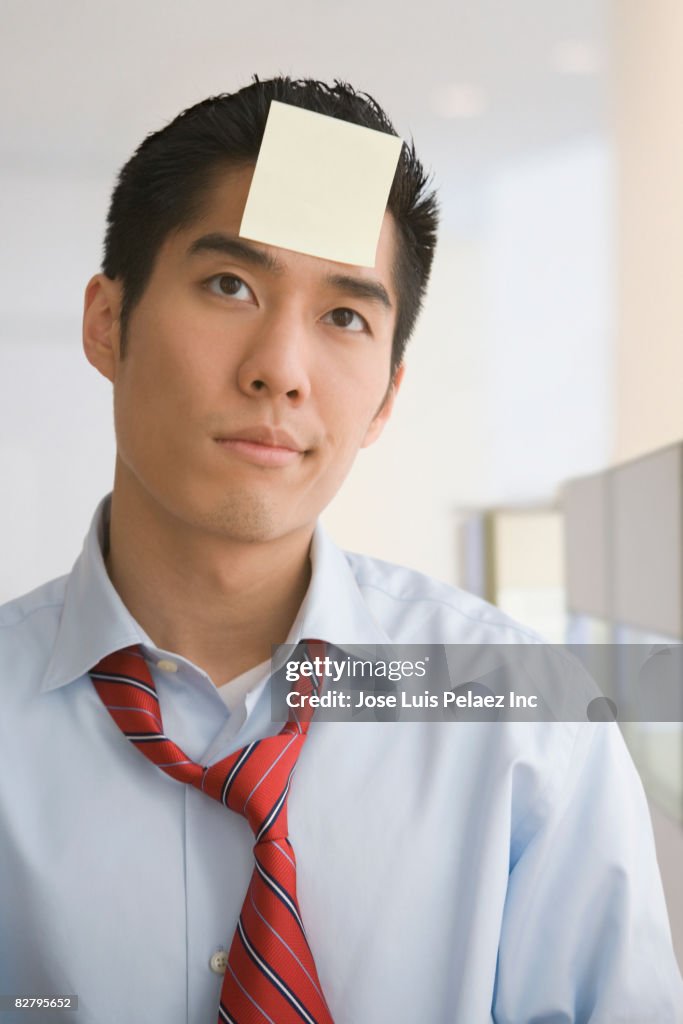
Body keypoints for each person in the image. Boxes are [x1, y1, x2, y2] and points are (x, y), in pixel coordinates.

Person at [0, 75, 681, 1024]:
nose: (279, 368)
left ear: (388, 396)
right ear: (107, 322)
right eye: (230, 285)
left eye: (345, 316)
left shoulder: (529, 726)